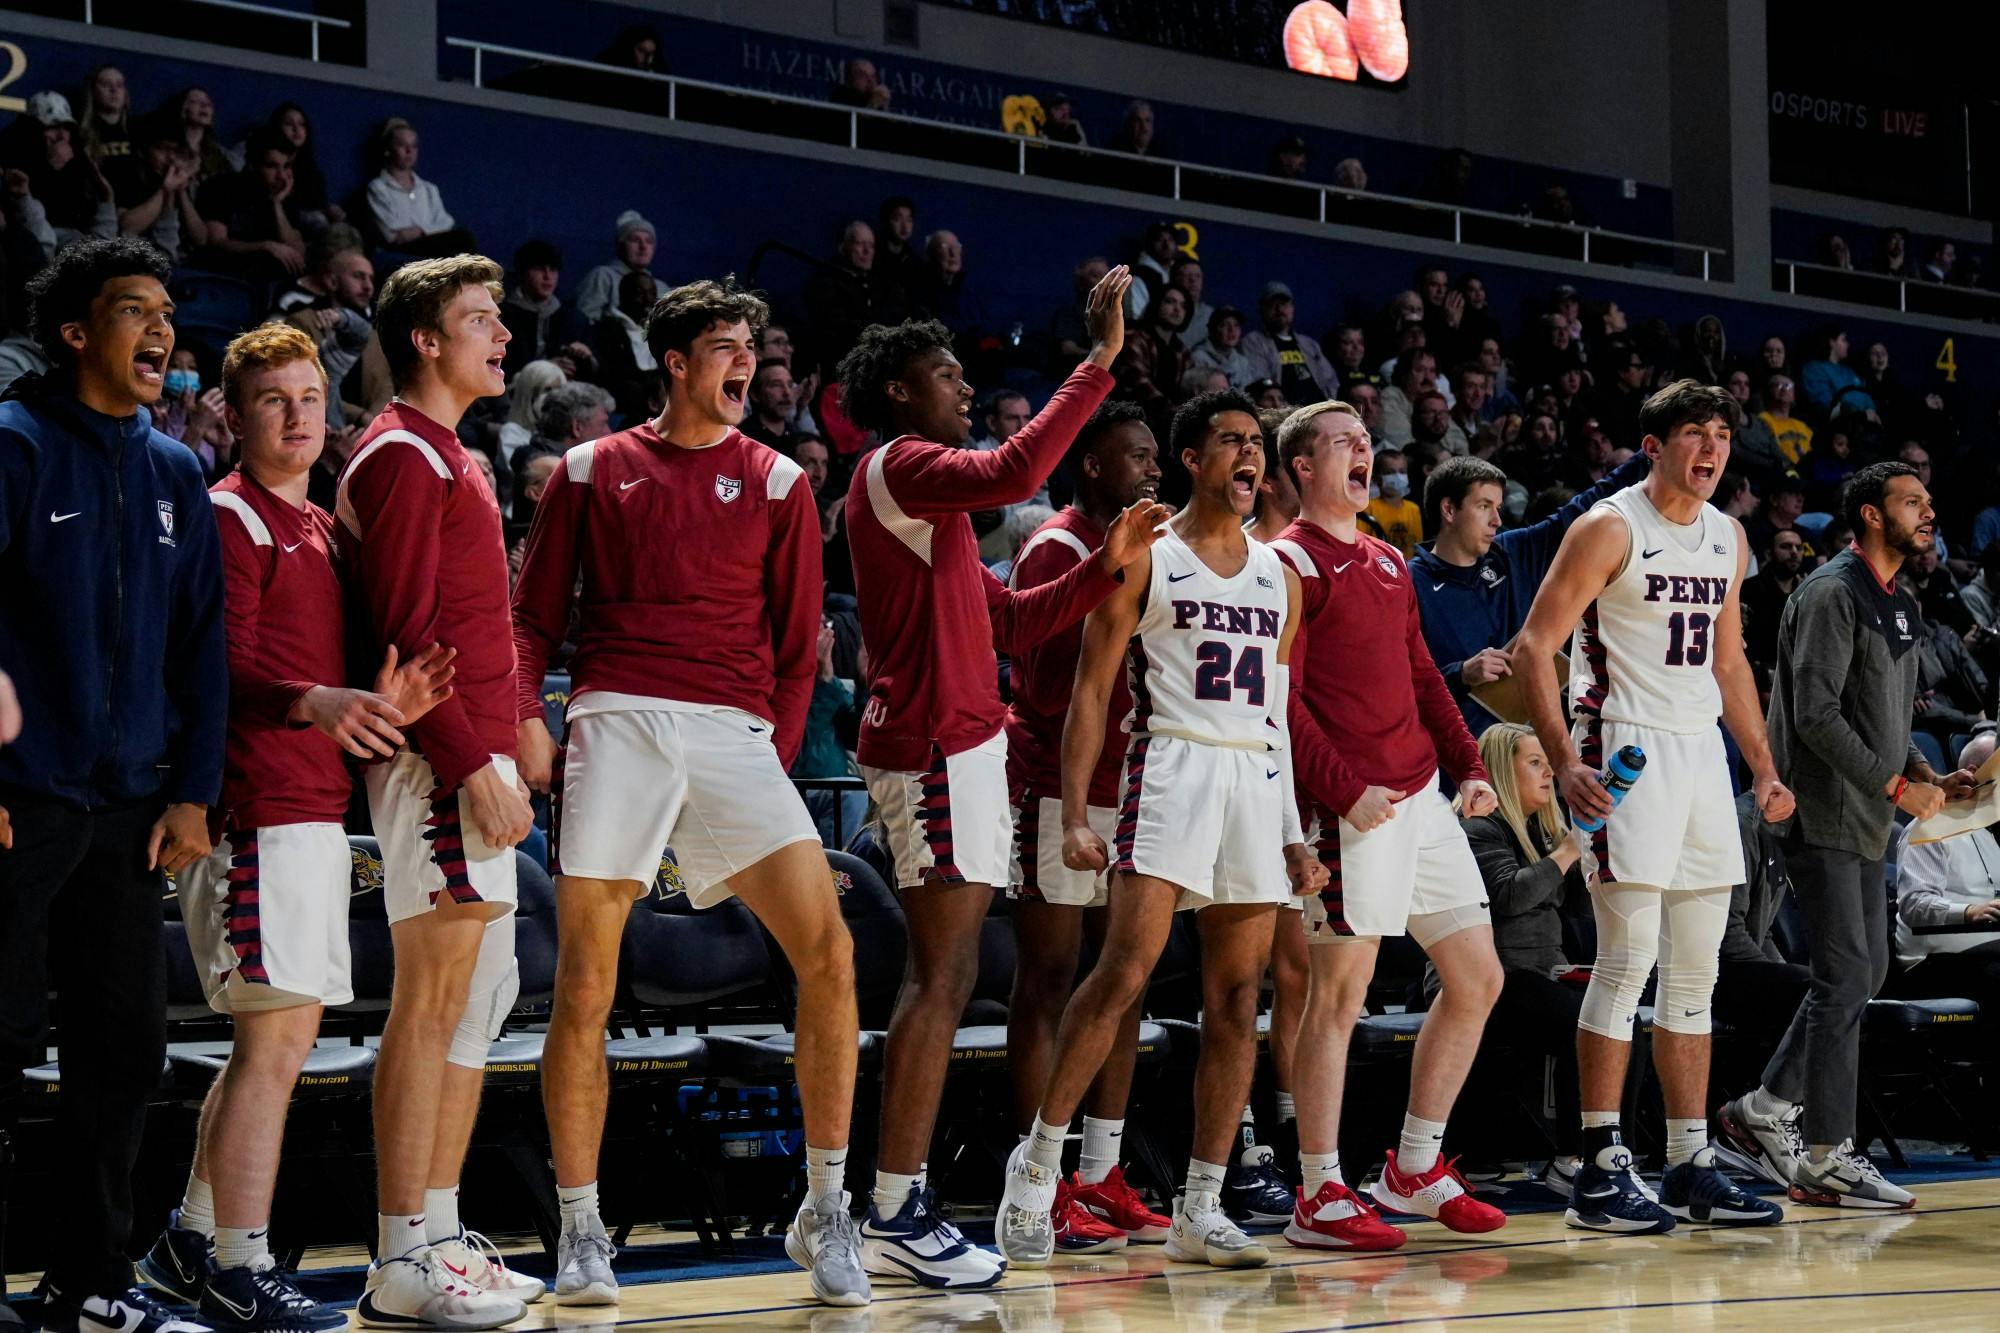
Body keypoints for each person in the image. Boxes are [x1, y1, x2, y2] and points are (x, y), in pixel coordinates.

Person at [512, 278, 870, 1308]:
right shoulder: (589, 468)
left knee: (829, 954)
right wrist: (526, 717)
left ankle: (826, 1208)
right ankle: (582, 1229)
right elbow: (530, 620)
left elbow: (798, 646)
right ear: (674, 361)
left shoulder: (777, 480)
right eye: (724, 345)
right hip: (615, 715)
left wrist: (771, 748)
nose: (746, 361)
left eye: (751, 345)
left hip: (732, 730)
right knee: (585, 981)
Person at [838, 270, 1163, 1287]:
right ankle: (895, 1206)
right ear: (900, 392)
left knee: (951, 976)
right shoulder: (897, 465)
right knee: (941, 977)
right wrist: (1097, 361)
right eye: (947, 376)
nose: (966, 389)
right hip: (935, 740)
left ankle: (897, 1201)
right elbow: (1017, 466)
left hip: (963, 742)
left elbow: (1015, 623)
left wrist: (1105, 566)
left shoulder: (932, 518)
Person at [142, 325, 453, 1333]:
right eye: (272, 398)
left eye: (310, 396)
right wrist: (313, 700)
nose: (296, 415)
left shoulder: (318, 524)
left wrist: (381, 705)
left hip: (312, 809)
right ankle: (239, 1266)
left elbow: (326, 683)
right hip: (253, 812)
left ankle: (190, 1245)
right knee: (272, 1044)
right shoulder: (227, 514)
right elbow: (207, 664)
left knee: (274, 1042)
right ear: (233, 417)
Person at [998, 390, 1316, 1272]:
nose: (1248, 455)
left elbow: (1278, 716)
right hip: (1170, 765)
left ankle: (1201, 1204)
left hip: (1251, 780)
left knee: (1238, 998)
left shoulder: (1280, 574)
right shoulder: (1148, 556)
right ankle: (1037, 1168)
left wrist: (1293, 831)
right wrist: (1072, 813)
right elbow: (1091, 689)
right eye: (1230, 441)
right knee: (1121, 972)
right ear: (1190, 459)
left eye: (1256, 443)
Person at [0, 236, 225, 1333]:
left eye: (166, 310)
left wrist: (194, 790)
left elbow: (203, 645)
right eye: (135, 308)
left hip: (132, 812)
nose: (161, 327)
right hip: (20, 800)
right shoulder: (14, 443)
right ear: (76, 331)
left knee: (125, 1050)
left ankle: (90, 1279)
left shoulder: (177, 469)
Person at [1512, 379, 1791, 1234]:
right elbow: (1533, 647)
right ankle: (1598, 1167)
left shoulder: (1728, 536)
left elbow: (1730, 663)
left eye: (1721, 436)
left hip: (1700, 752)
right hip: (1623, 746)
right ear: (1653, 445)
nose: (1711, 449)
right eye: (1695, 433)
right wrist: (1565, 761)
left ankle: (1688, 1160)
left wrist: (1763, 768)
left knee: (1697, 972)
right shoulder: (1610, 527)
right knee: (1625, 962)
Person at [332, 255, 542, 1328]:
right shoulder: (402, 455)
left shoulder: (450, 451)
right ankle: (398, 1255)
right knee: (430, 1003)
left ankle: (442, 1232)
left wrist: (512, 734)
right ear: (423, 338)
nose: (501, 335)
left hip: (471, 754)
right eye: (479, 320)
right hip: (433, 763)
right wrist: (472, 765)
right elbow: (407, 635)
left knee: (476, 1002)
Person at [1267, 400, 1506, 1250]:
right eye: (1344, 442)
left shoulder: (1384, 558)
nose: (1364, 451)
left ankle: (1412, 1166)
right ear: (1303, 466)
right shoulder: (1287, 562)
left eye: (1366, 441)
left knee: (1477, 978)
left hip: (1421, 798)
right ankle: (1318, 1191)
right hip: (1351, 809)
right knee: (1337, 998)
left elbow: (1422, 676)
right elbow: (1280, 701)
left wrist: (1469, 764)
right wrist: (1341, 789)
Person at [1716, 462, 1969, 1211]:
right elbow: (1817, 715)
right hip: (1822, 811)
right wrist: (1897, 787)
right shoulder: (1830, 592)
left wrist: (1927, 771)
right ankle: (1827, 1154)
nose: (1927, 513)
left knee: (1866, 971)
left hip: (1867, 817)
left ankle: (1763, 1107)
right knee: (1845, 975)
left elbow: (1886, 717)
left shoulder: (1903, 602)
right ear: (1870, 515)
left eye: (1928, 501)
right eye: (1911, 502)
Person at [1000, 401, 1171, 1254]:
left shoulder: (1153, 547)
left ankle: (1102, 1170)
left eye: (1154, 455)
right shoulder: (1057, 547)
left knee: (1123, 980)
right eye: (1136, 456)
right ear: (1095, 466)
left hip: (1130, 782)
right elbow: (1040, 684)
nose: (1152, 468)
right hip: (1052, 783)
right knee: (1050, 977)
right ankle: (1044, 1175)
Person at [1413, 452, 1649, 736]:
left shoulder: (1512, 552)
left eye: (1498, 507)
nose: (1496, 520)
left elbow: (1588, 504)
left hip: (1531, 745)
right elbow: (1396, 683)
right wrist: (1460, 674)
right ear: (1449, 510)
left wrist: (1654, 451)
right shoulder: (1408, 583)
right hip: (1459, 749)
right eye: (1484, 506)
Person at [1449, 723, 1590, 1189]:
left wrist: (1591, 860)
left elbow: (1580, 911)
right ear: (1501, 773)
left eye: (1549, 764)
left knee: (1613, 1015)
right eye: (1535, 763)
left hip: (1540, 973)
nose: (1549, 773)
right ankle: (1571, 1159)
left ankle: (1609, 1148)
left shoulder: (1541, 832)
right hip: (1488, 977)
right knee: (1584, 1023)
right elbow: (1510, 897)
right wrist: (1566, 853)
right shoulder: (1478, 828)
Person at [366, 119, 476, 257]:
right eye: (402, 145)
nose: (409, 151)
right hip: (402, 250)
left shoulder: (428, 189)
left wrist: (422, 230)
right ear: (388, 150)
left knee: (463, 238)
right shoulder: (378, 188)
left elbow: (445, 221)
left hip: (431, 243)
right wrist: (423, 231)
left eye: (413, 146)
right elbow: (392, 234)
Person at [500, 240, 594, 379]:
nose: (547, 276)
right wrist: (545, 369)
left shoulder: (574, 318)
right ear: (522, 273)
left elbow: (599, 371)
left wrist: (588, 358)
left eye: (553, 270)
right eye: (539, 269)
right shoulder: (501, 318)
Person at [1240, 282, 1335, 405]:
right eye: (1273, 305)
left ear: (1292, 308)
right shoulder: (1254, 342)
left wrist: (1331, 404)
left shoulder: (1309, 344)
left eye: (1284, 304)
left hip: (1320, 407)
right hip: (1286, 410)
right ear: (1262, 310)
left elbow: (1331, 380)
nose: (1279, 310)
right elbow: (1261, 383)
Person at [1741, 527, 1807, 682]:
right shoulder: (1748, 590)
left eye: (1799, 548)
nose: (1794, 552)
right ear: (1768, 554)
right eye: (1785, 547)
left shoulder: (1808, 592)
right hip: (1757, 677)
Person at [573, 212, 657, 327]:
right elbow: (584, 320)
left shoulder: (661, 287)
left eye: (649, 241)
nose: (643, 246)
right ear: (620, 245)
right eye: (635, 240)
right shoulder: (602, 277)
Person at [1364, 446, 1422, 556]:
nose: (1398, 476)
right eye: (1389, 472)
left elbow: (1417, 546)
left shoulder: (1413, 509)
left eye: (1402, 471)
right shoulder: (1368, 508)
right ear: (1375, 478)